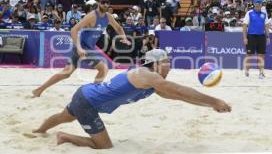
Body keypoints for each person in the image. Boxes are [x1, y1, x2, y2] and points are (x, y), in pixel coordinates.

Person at [33, 49, 232, 149]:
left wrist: (209, 106)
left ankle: (40, 130)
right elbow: (179, 90)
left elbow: (180, 97)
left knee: (65, 115)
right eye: (166, 63)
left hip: (86, 93)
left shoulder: (153, 84)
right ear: (154, 63)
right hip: (88, 102)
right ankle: (64, 137)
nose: (169, 67)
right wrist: (215, 100)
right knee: (104, 146)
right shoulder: (145, 75)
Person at [32, 0, 131, 97]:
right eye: (103, 3)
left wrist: (124, 37)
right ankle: (94, 94)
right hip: (82, 47)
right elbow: (74, 29)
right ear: (98, 3)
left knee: (66, 73)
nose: (106, 5)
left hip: (86, 48)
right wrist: (79, 48)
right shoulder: (92, 16)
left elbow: (118, 28)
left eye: (107, 3)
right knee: (103, 69)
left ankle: (39, 90)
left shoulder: (108, 17)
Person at [242, 0, 271, 79]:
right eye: (256, 3)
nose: (257, 5)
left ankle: (261, 72)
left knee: (261, 55)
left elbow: (266, 26)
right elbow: (244, 26)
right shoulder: (249, 13)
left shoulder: (264, 14)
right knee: (249, 55)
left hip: (261, 37)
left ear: (261, 4)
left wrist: (268, 37)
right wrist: (245, 38)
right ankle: (247, 71)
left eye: (259, 3)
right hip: (251, 36)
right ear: (254, 4)